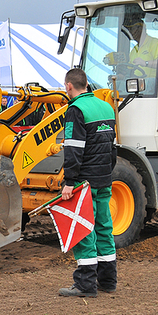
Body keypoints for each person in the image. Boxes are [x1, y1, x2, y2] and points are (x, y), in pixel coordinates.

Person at [58, 68, 117, 298]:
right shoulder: (106, 107)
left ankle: (85, 284)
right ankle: (108, 281)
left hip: (85, 182)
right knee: (104, 227)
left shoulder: (76, 110)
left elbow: (73, 149)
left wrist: (69, 182)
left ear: (69, 86)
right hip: (104, 179)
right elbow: (112, 147)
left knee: (83, 229)